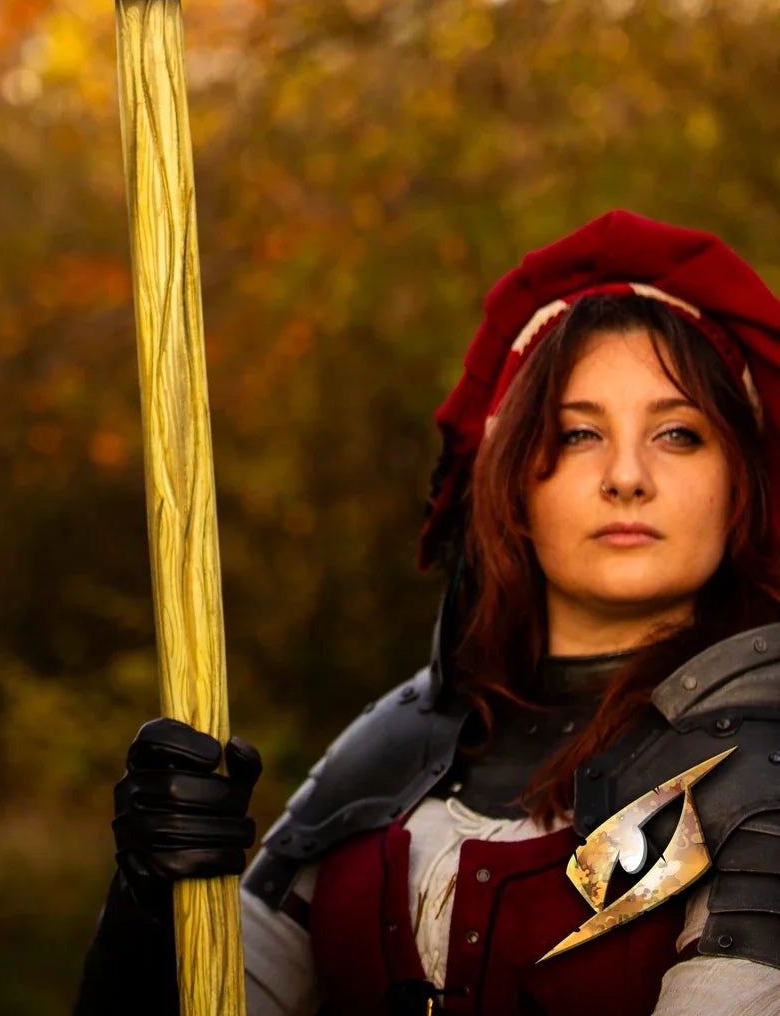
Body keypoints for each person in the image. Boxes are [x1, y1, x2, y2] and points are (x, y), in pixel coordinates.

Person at [74, 210, 780, 1014]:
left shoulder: (765, 765)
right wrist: (148, 908)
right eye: (579, 433)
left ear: (739, 486)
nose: (625, 475)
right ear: (510, 477)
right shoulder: (396, 743)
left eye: (678, 434)